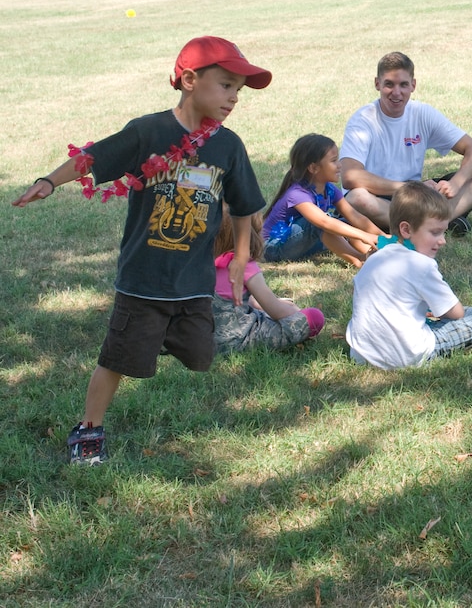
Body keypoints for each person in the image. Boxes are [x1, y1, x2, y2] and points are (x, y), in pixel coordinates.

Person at [11, 36, 270, 464]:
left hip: (192, 280)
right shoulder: (149, 132)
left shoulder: (228, 146)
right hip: (145, 278)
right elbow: (93, 158)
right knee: (117, 358)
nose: (234, 98)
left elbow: (243, 208)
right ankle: (89, 428)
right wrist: (49, 181)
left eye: (238, 90)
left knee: (200, 356)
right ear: (189, 80)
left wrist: (241, 258)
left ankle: (160, 334)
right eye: (226, 85)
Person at [340, 52, 472, 235]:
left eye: (403, 84)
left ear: (413, 85)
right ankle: (437, 223)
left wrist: (455, 183)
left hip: (414, 196)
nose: (397, 92)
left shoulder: (423, 113)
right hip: (381, 195)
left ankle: (423, 225)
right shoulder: (363, 120)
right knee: (357, 198)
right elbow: (350, 177)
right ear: (377, 84)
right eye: (389, 84)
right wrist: (408, 187)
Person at [346, 181, 472, 369]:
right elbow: (456, 313)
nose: (442, 241)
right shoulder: (422, 265)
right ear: (406, 230)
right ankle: (454, 347)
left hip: (360, 354)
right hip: (407, 355)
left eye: (444, 232)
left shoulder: (374, 258)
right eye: (435, 232)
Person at [213, 209, 325, 353]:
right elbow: (276, 311)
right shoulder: (244, 265)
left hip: (202, 339)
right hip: (236, 341)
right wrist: (296, 312)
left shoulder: (203, 262)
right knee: (314, 317)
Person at [263, 133, 383, 268]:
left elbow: (354, 216)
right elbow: (324, 222)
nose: (339, 165)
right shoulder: (297, 194)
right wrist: (364, 235)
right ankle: (359, 260)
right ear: (313, 168)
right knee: (323, 224)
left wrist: (382, 236)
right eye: (333, 161)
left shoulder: (330, 189)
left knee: (345, 224)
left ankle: (373, 253)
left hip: (305, 243)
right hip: (275, 248)